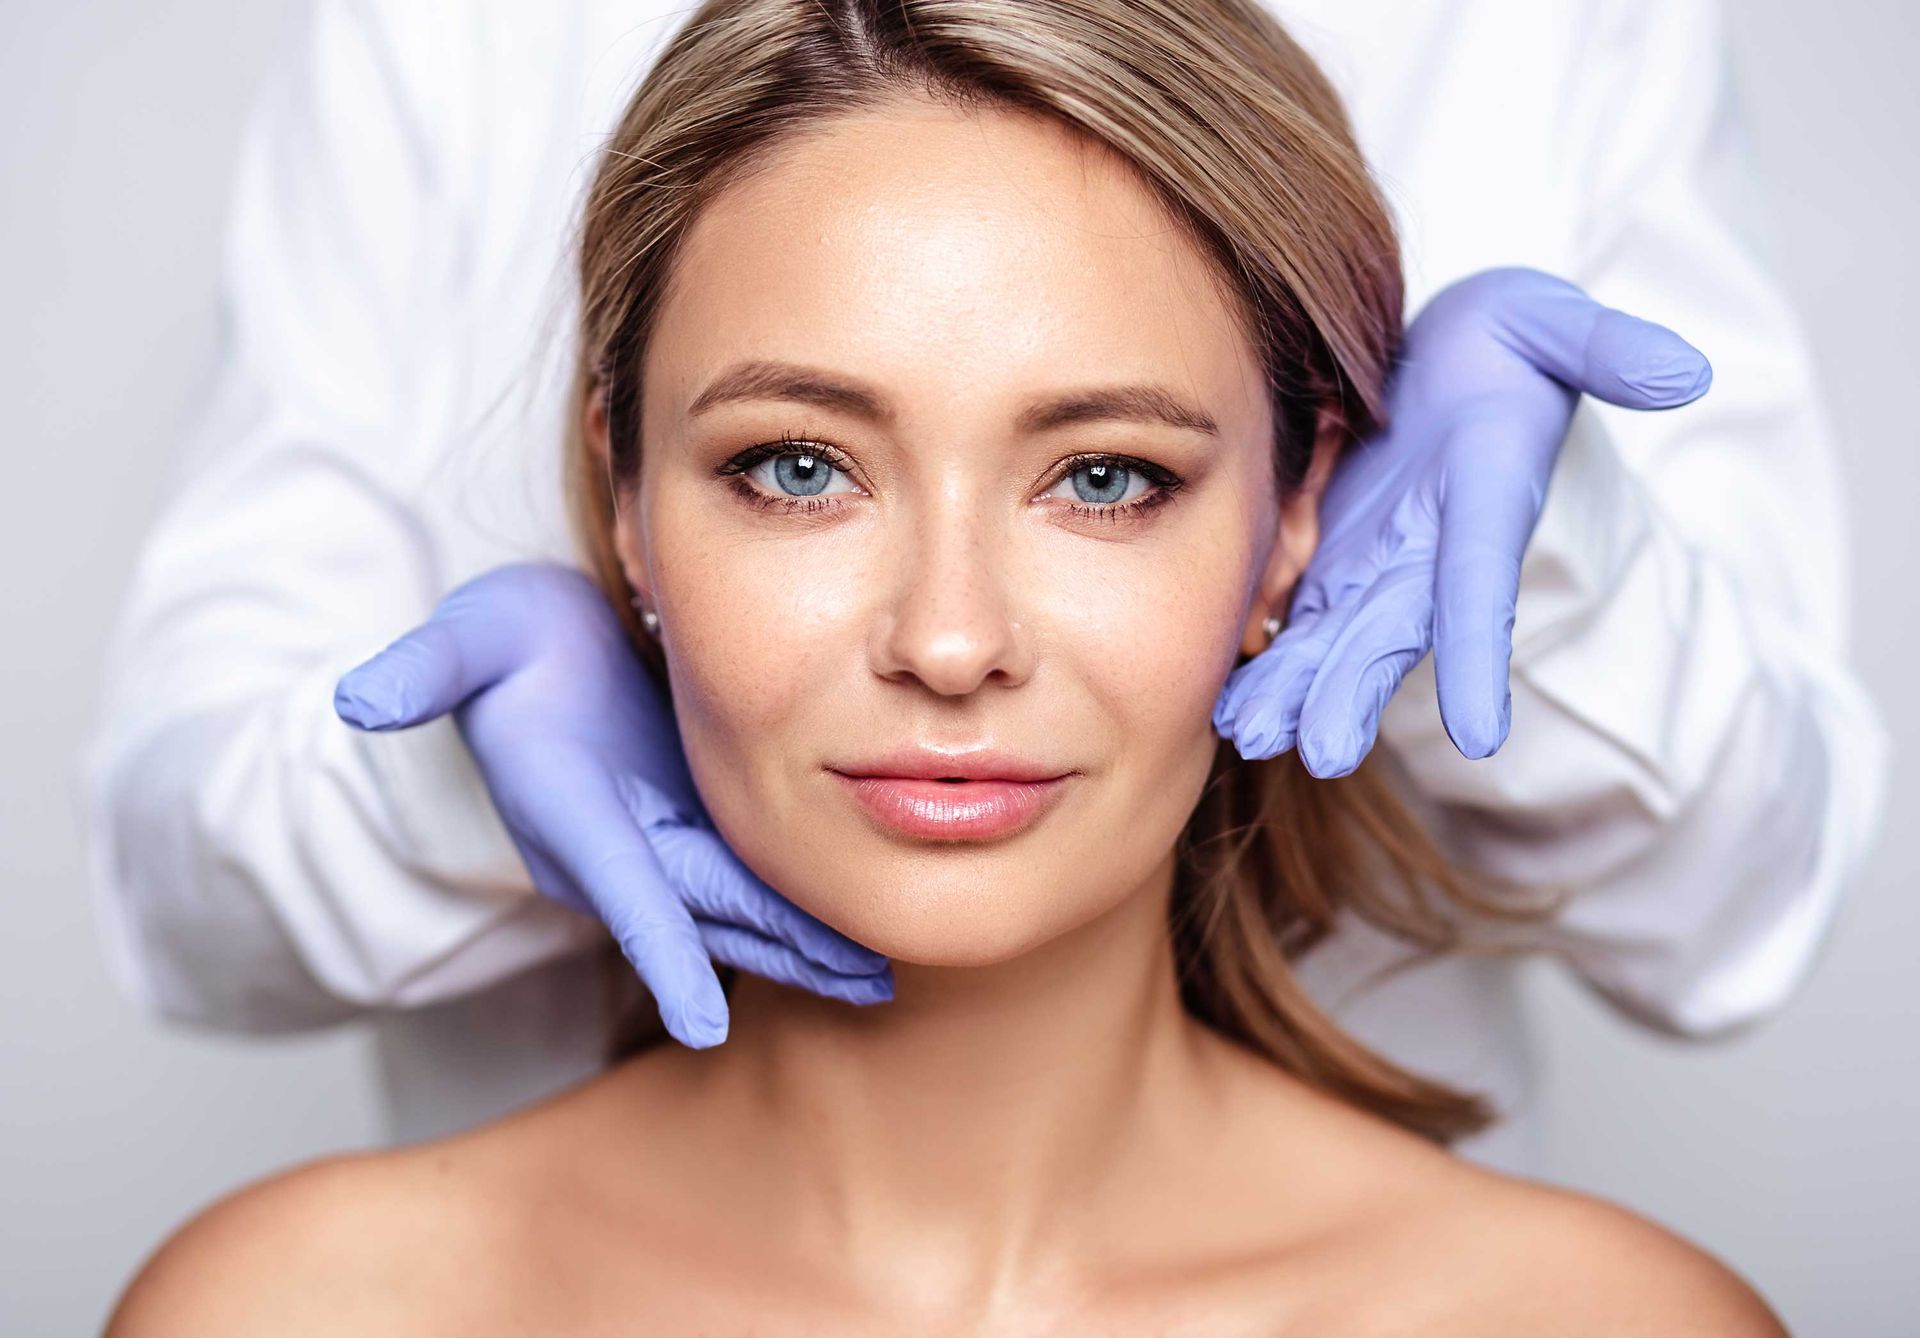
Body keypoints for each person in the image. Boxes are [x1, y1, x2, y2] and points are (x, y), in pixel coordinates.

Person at [104, 5, 1791, 1328]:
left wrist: (1558, 561)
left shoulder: (1606, 1322)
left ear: (1306, 515)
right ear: (622, 498)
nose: (949, 639)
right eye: (796, 465)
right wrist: (440, 778)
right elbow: (173, 874)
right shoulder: (290, 1311)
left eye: (1109, 475)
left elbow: (1744, 909)